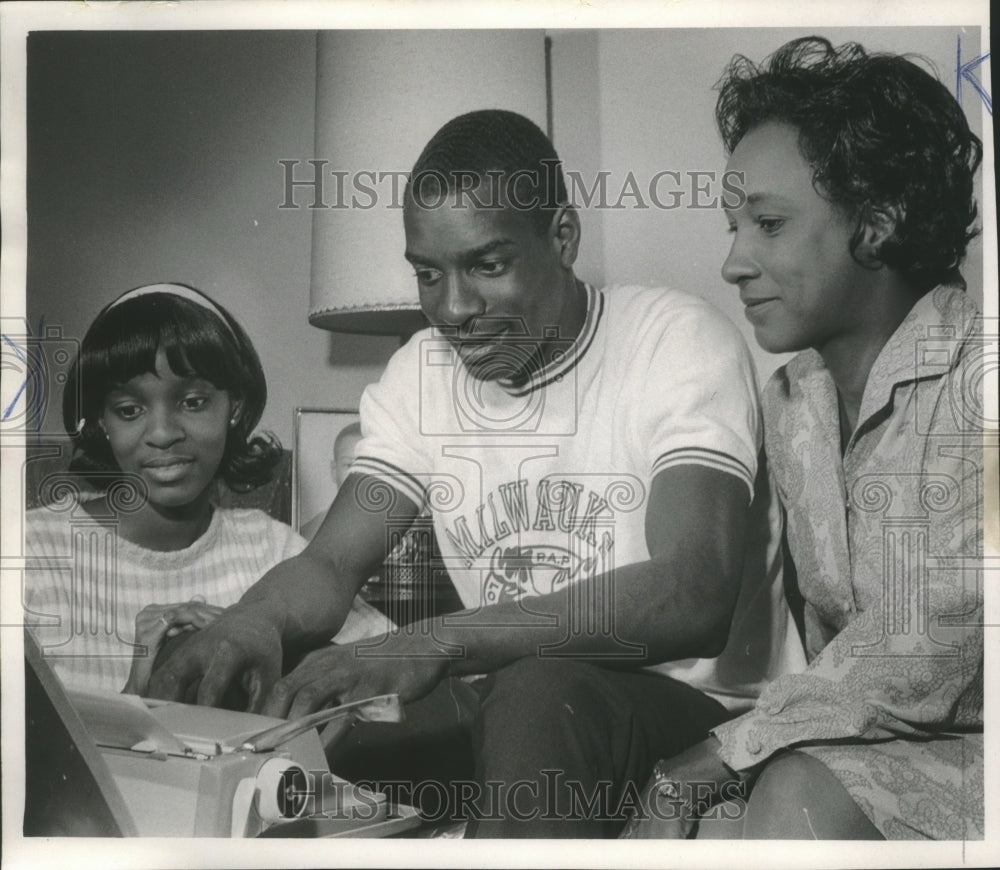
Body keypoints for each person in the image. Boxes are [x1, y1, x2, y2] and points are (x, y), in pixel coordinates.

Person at [148, 111, 802, 837]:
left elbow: (692, 592)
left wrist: (432, 641)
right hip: (514, 698)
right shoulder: (421, 372)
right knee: (281, 718)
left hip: (696, 708)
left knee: (533, 690)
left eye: (488, 266)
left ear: (562, 237)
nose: (454, 309)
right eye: (429, 274)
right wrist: (252, 624)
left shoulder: (674, 338)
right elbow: (331, 562)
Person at [624, 37, 984, 840]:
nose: (733, 261)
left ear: (880, 221)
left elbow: (931, 648)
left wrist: (713, 756)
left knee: (785, 798)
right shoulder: (792, 405)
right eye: (732, 225)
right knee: (716, 826)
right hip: (864, 750)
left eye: (769, 224)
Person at [24, 283, 387, 696]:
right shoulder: (30, 555)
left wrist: (257, 638)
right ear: (100, 421)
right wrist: (138, 698)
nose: (162, 434)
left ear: (234, 406)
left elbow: (388, 667)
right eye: (129, 410)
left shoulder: (271, 550)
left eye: (193, 402)